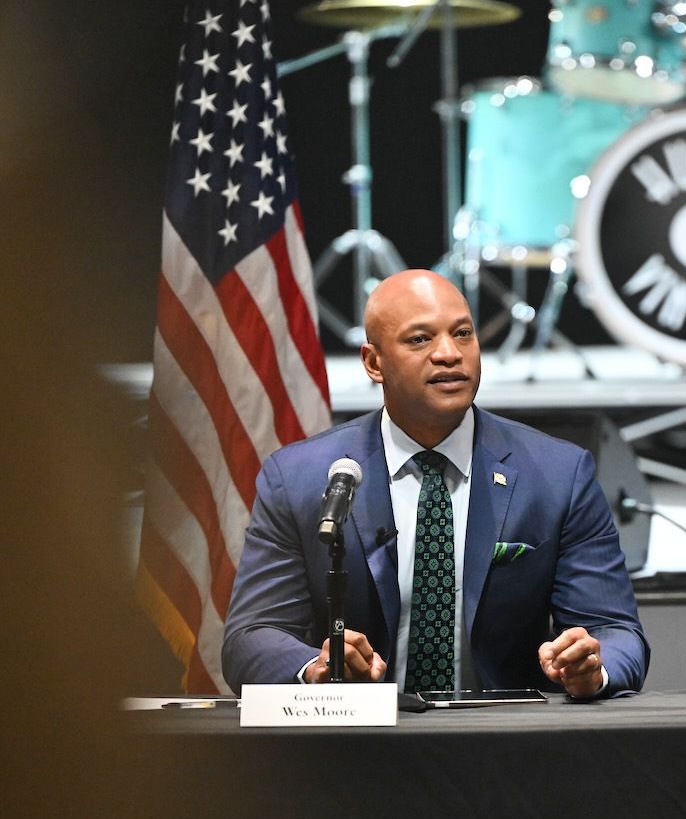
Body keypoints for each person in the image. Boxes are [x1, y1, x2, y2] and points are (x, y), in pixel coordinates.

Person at [222, 269, 649, 698]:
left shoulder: (558, 474)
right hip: (359, 733)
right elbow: (251, 637)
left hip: (506, 733)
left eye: (463, 334)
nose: (449, 353)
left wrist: (592, 669)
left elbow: (616, 631)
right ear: (373, 363)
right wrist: (314, 668)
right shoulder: (300, 478)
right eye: (419, 339)